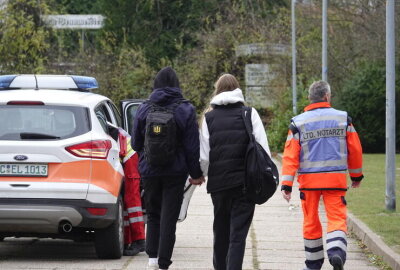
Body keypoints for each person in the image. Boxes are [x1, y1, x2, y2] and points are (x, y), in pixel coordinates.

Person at [281, 81, 364, 270]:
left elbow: (290, 156)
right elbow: (355, 150)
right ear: (326, 96)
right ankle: (336, 252)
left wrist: (286, 184)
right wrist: (356, 176)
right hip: (335, 180)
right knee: (336, 217)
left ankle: (313, 264)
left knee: (311, 220)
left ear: (310, 97)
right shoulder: (343, 118)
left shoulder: (298, 122)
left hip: (309, 183)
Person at [132, 66, 204, 270]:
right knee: (169, 216)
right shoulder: (186, 109)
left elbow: (136, 143)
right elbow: (192, 147)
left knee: (153, 213)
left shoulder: (144, 108)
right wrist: (196, 174)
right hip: (175, 171)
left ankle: (152, 260)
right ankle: (164, 263)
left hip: (150, 170)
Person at [198, 74, 271, 270]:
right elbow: (263, 149)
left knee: (220, 231)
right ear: (237, 89)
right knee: (238, 235)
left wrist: (203, 175)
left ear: (217, 90)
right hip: (244, 185)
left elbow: (204, 156)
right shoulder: (249, 113)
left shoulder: (208, 118)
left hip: (219, 186)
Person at [109, 126, 146, 256]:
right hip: (128, 156)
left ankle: (139, 240)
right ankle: (127, 241)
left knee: (132, 201)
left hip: (130, 158)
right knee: (125, 202)